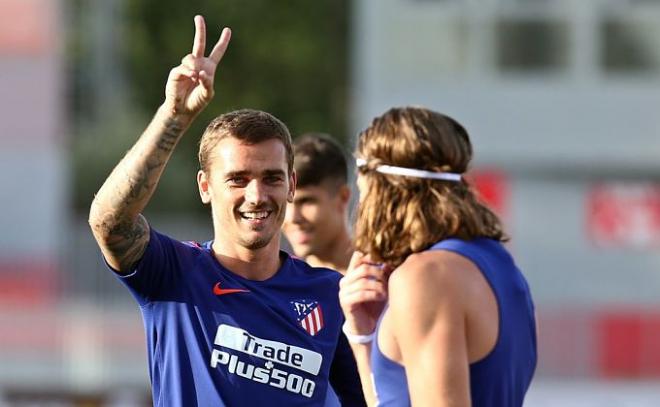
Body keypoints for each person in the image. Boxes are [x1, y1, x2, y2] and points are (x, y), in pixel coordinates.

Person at [89, 15, 362, 407]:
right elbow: (109, 221)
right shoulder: (174, 273)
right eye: (237, 179)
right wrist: (174, 117)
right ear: (205, 187)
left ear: (291, 186)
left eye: (271, 178)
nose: (256, 195)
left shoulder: (327, 293)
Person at [339, 107, 537, 406]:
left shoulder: (426, 278)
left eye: (361, 185)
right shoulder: (497, 262)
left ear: (380, 188)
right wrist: (363, 336)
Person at [283, 133, 353, 274]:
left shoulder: (386, 279)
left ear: (343, 197)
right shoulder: (283, 286)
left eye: (306, 201)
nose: (292, 218)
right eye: (285, 202)